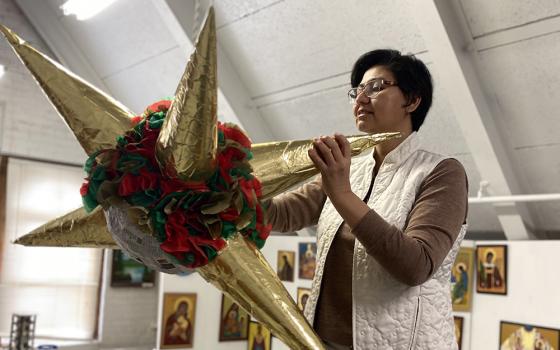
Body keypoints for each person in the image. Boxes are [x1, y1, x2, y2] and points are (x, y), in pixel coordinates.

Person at [267, 49, 468, 349]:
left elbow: (416, 266)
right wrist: (238, 181)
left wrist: (342, 195)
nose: (360, 99)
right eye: (357, 91)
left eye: (375, 87)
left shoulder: (441, 172)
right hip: (320, 340)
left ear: (412, 100)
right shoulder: (350, 167)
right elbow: (280, 215)